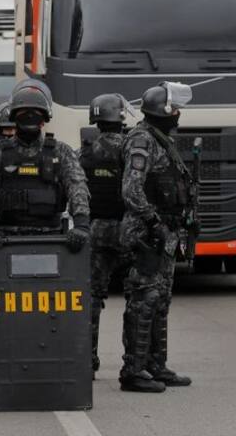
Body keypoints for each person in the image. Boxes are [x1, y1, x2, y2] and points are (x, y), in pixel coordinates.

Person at [119, 82, 195, 393]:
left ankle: (156, 366)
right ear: (161, 112)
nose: (178, 115)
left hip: (164, 232)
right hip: (147, 234)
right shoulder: (142, 139)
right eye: (174, 110)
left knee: (160, 301)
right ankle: (133, 370)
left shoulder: (162, 140)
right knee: (143, 301)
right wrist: (153, 222)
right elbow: (131, 189)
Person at [0, 84, 91, 248]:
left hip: (52, 237)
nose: (30, 117)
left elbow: (77, 188)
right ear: (14, 118)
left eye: (36, 114)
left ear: (44, 120)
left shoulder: (61, 152)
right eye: (24, 113)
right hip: (4, 239)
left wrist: (81, 224)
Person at [79, 93, 133, 375]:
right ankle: (136, 363)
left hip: (96, 231)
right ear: (121, 117)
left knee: (91, 298)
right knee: (137, 297)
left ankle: (87, 359)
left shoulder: (85, 152)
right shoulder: (130, 149)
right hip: (128, 230)